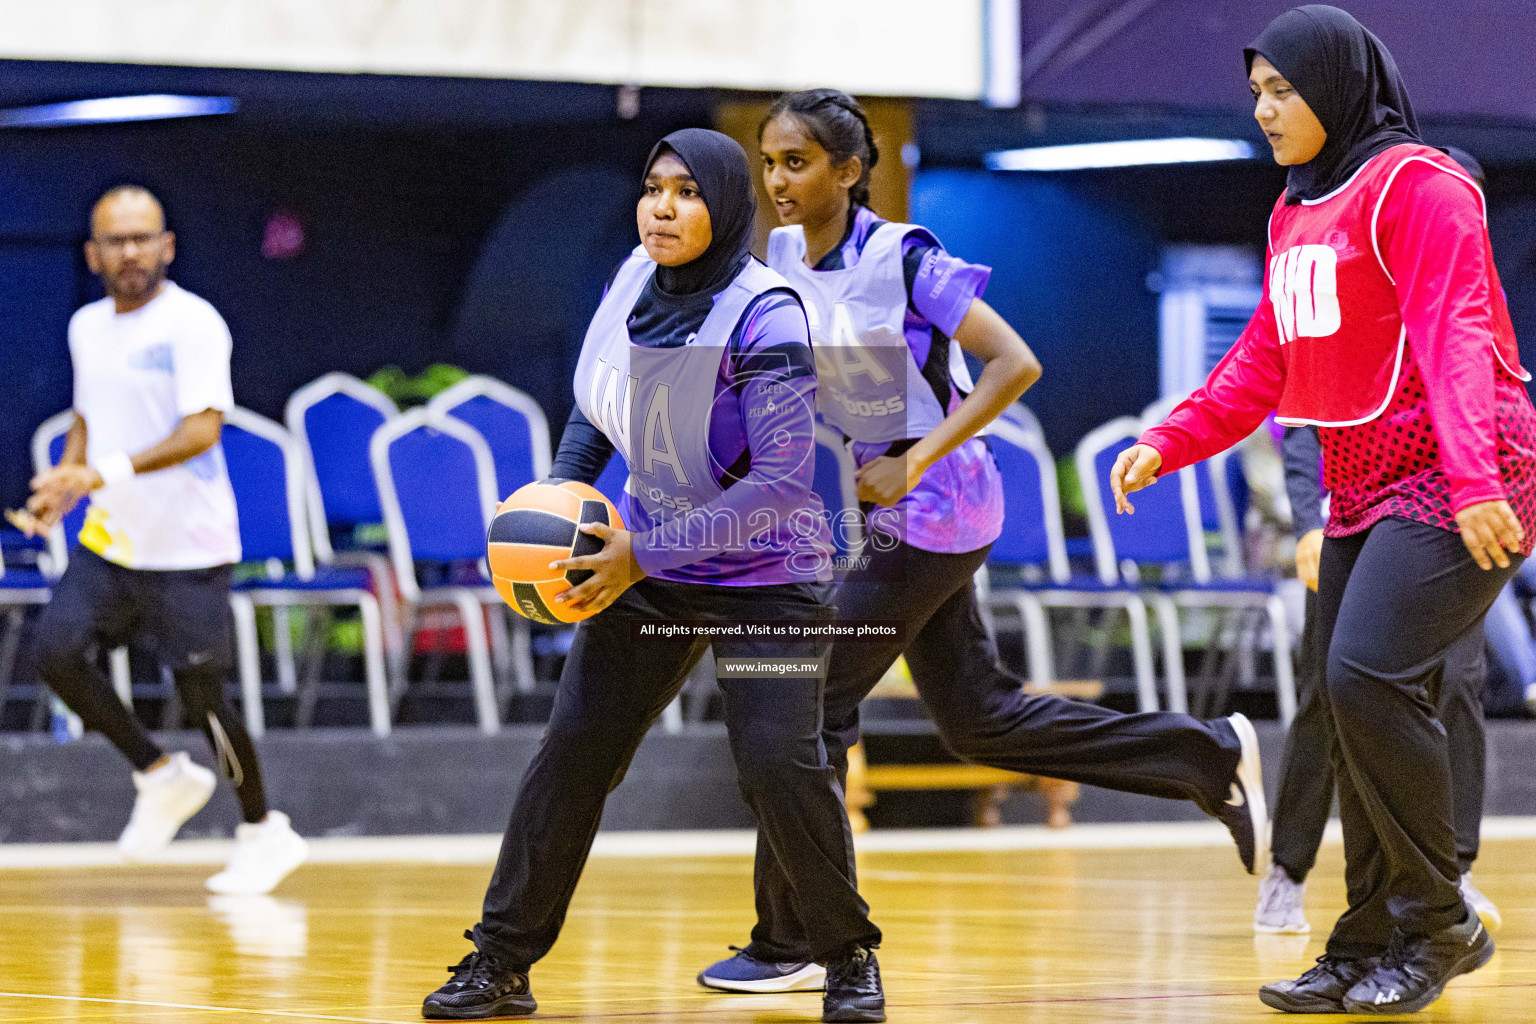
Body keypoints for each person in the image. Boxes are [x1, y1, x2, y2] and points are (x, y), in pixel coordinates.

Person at [693, 88, 1269, 995]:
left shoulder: (905, 257)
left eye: (796, 163)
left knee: (806, 706)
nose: (777, 181)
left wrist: (913, 461)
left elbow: (1015, 364)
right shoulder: (778, 258)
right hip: (885, 515)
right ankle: (1207, 757)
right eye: (768, 164)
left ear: (850, 171)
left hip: (940, 507)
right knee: (978, 718)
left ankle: (793, 940)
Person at [1114, 6, 1536, 1014]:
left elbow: (1454, 337)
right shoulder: (1296, 210)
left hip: (1458, 469)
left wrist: (1476, 482)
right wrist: (1172, 438)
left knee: (1370, 676)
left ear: (1338, 88)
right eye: (1255, 91)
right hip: (1363, 475)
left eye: (1282, 90)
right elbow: (1267, 355)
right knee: (1342, 701)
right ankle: (1362, 935)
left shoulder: (1423, 187)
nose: (1262, 108)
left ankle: (1436, 924)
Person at [420, 129, 885, 1024]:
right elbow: (602, 405)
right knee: (572, 758)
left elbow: (781, 483)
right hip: (654, 568)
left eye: (687, 193)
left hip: (765, 578)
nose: (662, 207)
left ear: (727, 206)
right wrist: (564, 486)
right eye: (652, 188)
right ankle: (502, 962)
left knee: (779, 768)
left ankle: (847, 957)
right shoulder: (631, 279)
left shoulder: (768, 313)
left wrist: (637, 551)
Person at [18, 185, 308, 895]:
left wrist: (100, 473)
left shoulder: (194, 324)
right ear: (93, 254)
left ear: (167, 246)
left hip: (190, 547)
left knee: (203, 695)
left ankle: (263, 831)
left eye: (142, 238)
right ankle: (158, 774)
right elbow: (88, 414)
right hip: (113, 541)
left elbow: (201, 429)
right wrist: (65, 480)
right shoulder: (87, 326)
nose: (130, 252)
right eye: (115, 241)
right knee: (55, 652)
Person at [1258, 422, 1498, 934]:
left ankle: (1457, 873)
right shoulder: (1336, 346)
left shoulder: (1448, 343)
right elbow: (1301, 428)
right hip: (1355, 523)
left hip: (1445, 524)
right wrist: (1306, 524)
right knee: (1329, 693)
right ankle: (1287, 871)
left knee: (1459, 681)